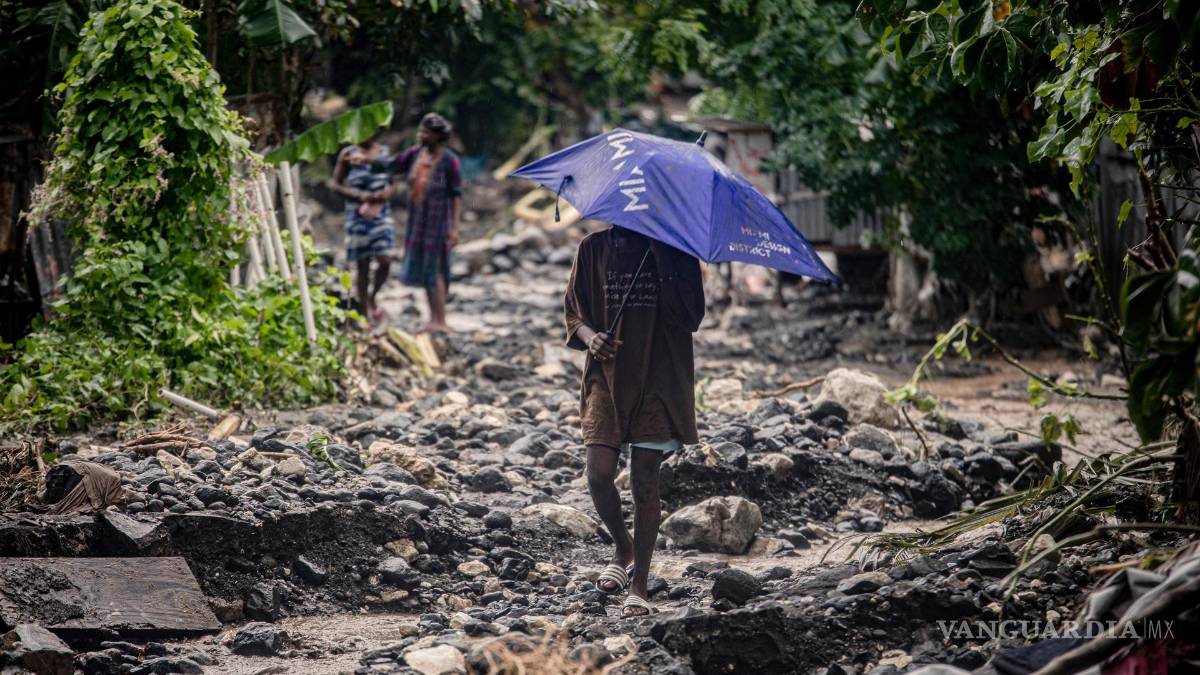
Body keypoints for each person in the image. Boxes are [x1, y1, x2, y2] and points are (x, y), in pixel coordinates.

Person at [563, 225, 705, 617]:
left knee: (644, 478)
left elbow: (691, 316)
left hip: (659, 378)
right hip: (605, 377)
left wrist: (663, 260)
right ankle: (622, 545)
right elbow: (574, 313)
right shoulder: (593, 249)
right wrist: (592, 337)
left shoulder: (677, 249)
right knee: (598, 473)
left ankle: (639, 582)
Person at [383, 112, 463, 333]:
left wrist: (455, 228)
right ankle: (432, 319)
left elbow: (456, 196)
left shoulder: (450, 161)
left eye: (426, 132)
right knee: (425, 268)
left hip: (439, 223)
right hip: (418, 221)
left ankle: (441, 320)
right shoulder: (415, 154)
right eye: (421, 131)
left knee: (436, 270)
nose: (421, 135)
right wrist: (368, 161)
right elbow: (391, 166)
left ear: (437, 136)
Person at [329, 133, 395, 323]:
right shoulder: (348, 154)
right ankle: (365, 310)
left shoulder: (384, 153)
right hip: (356, 215)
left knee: (385, 259)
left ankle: (373, 296)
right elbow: (334, 184)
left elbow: (394, 184)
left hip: (380, 214)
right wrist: (357, 195)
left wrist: (383, 195)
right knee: (362, 264)